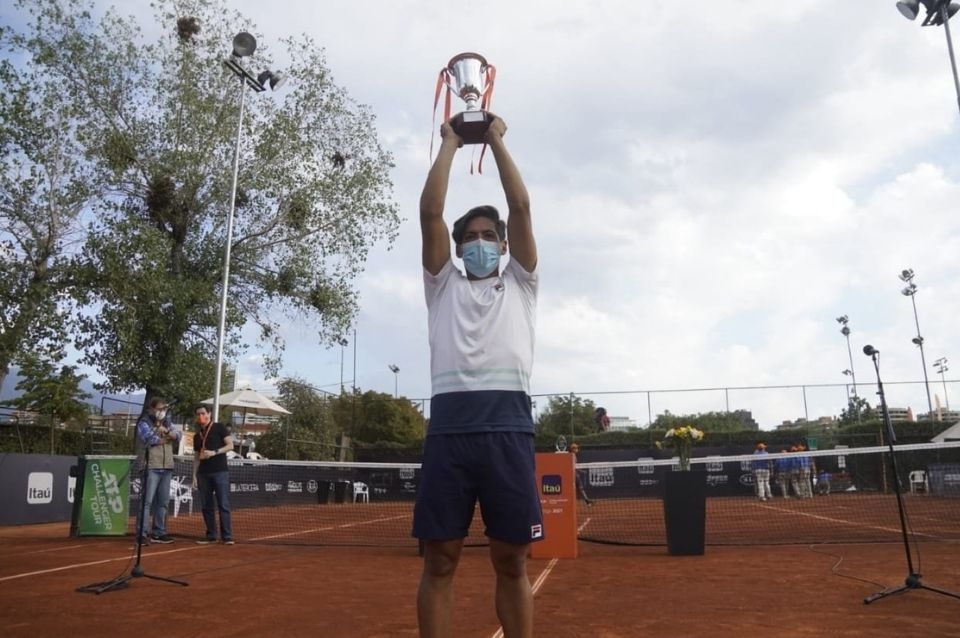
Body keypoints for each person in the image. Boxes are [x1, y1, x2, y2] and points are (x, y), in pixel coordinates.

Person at [414, 115, 541, 638]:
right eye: (470, 238)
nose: (480, 243)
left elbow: (521, 207)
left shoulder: (522, 283)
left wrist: (496, 140)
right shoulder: (442, 285)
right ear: (459, 248)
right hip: (450, 432)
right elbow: (430, 212)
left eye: (489, 236)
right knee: (440, 559)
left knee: (511, 560)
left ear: (504, 246)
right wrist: (449, 142)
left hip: (508, 429)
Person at [134, 398, 181, 544]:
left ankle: (159, 532)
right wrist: (166, 438)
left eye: (164, 409)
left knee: (163, 502)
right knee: (146, 502)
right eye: (159, 409)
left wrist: (166, 432)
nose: (162, 412)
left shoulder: (168, 423)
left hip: (167, 467)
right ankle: (141, 534)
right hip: (151, 466)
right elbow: (150, 439)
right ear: (152, 409)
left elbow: (178, 436)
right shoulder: (144, 422)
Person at [192, 405, 235, 545]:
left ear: (209, 414)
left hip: (220, 471)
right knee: (206, 506)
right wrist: (194, 476)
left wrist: (214, 452)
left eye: (203, 413)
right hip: (203, 474)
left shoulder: (219, 427)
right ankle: (211, 535)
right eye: (198, 414)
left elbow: (230, 445)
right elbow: (196, 457)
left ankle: (227, 536)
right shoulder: (197, 436)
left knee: (223, 504)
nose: (201, 416)